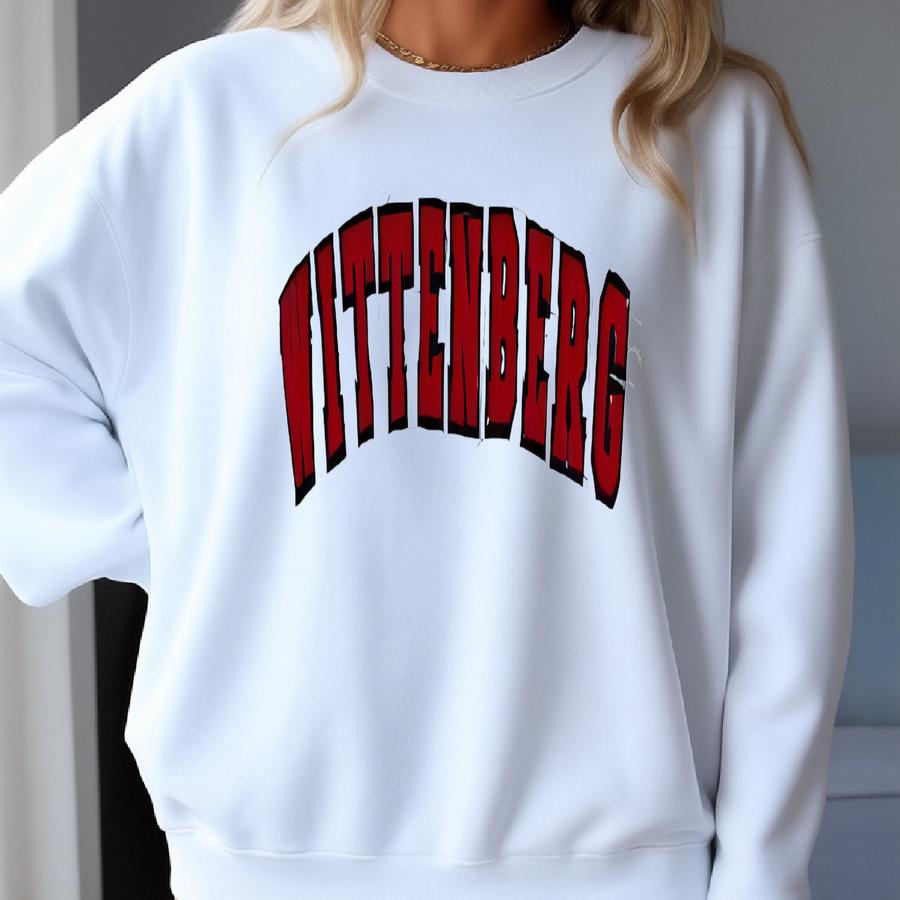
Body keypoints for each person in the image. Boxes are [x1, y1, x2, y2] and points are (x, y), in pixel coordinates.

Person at [0, 1, 855, 898]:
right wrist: (189, 549)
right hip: (262, 871)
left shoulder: (713, 130)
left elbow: (786, 557)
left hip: (628, 872)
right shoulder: (207, 113)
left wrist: (763, 877)